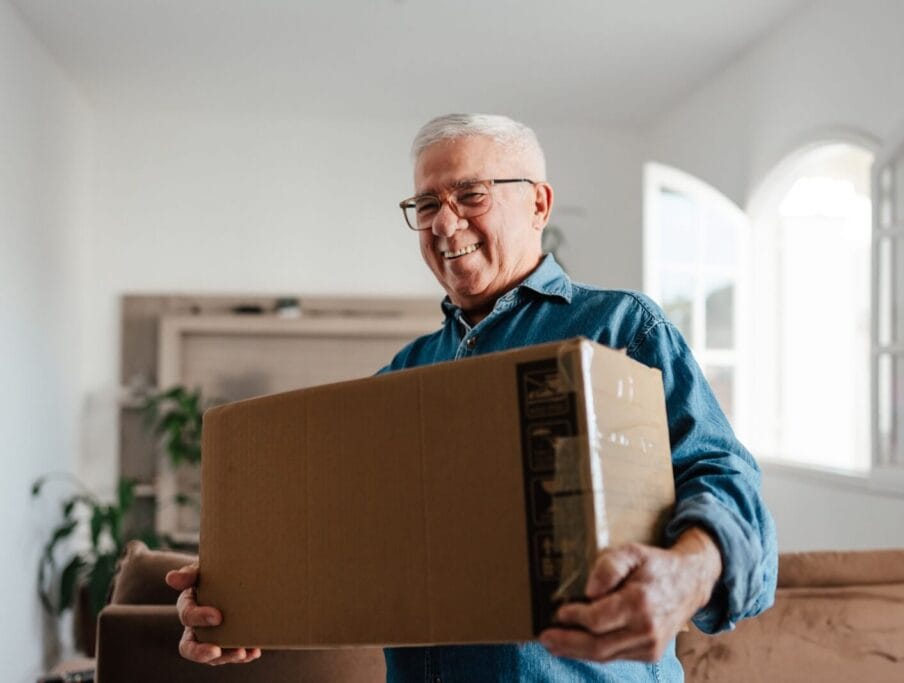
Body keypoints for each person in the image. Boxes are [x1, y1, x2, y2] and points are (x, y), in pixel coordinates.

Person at [167, 113, 777, 681]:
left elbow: (726, 479)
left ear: (538, 202)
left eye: (470, 195)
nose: (442, 221)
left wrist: (688, 575)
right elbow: (337, 535)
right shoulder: (402, 375)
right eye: (427, 203)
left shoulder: (625, 328)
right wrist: (242, 597)